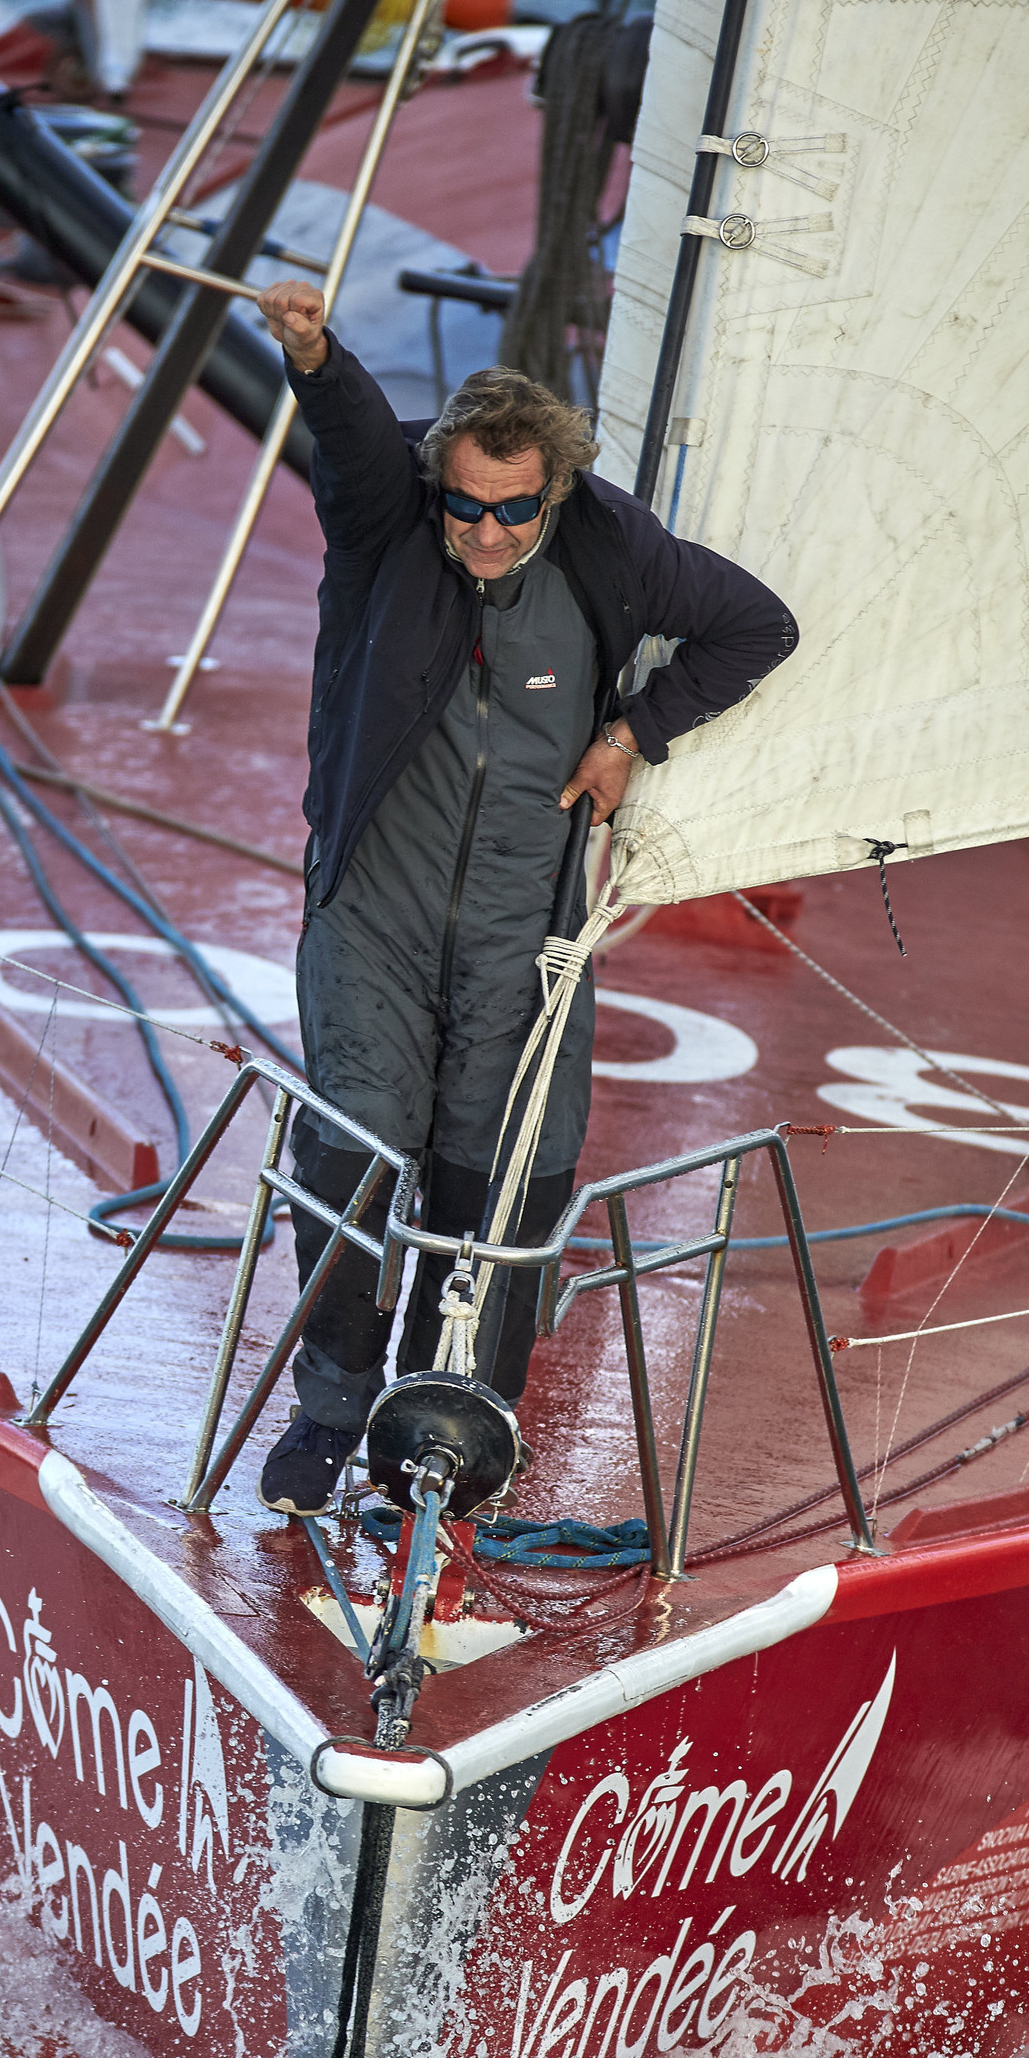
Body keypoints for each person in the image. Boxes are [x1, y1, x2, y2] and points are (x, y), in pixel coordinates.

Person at [253, 278, 797, 1516]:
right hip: (373, 912)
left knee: (499, 1174)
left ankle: (450, 1420)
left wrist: (632, 735)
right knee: (353, 1152)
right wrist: (314, 355)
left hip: (523, 926)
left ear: (552, 492)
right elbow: (351, 438)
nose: (485, 532)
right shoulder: (390, 521)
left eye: (511, 510)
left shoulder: (607, 545)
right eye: (464, 505)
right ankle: (329, 1412)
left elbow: (755, 627)